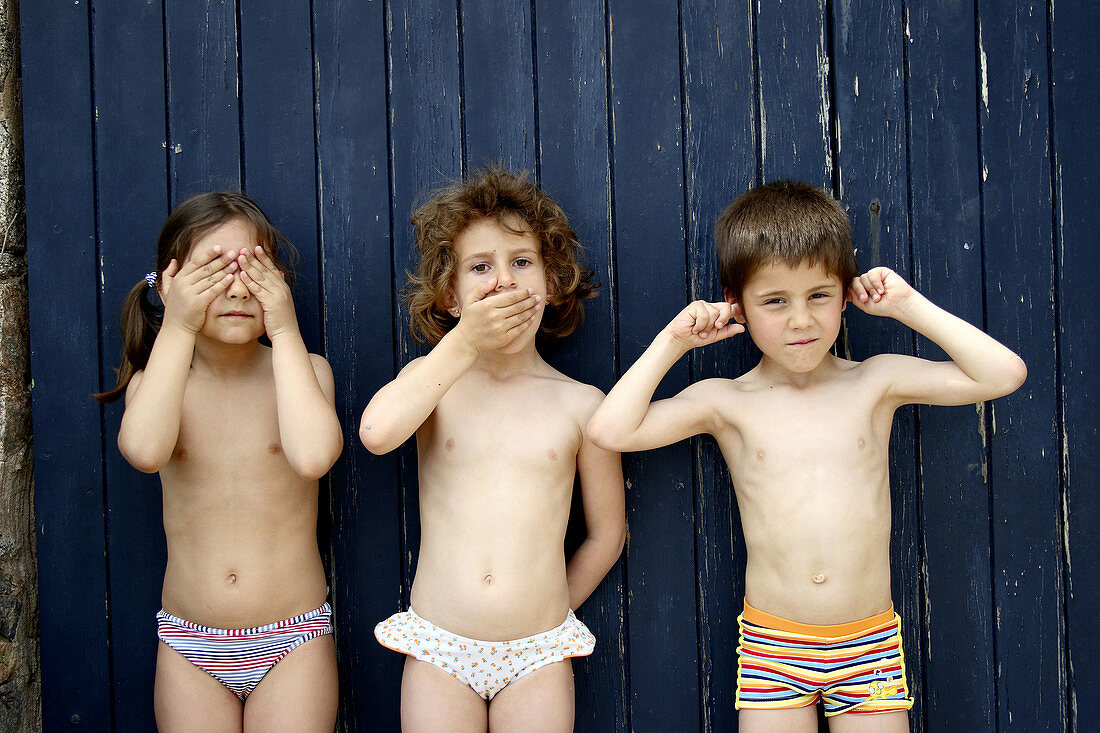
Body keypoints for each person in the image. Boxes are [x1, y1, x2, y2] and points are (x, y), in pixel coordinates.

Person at [586, 180, 1026, 732]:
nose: (801, 320)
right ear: (736, 304)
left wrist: (907, 306)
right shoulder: (727, 401)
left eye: (819, 295)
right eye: (775, 301)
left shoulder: (876, 381)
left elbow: (1002, 373)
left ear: (845, 293)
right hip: (774, 644)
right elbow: (610, 430)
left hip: (869, 643)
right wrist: (674, 341)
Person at [361, 167, 626, 732]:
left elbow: (606, 534)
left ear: (552, 284)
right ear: (449, 295)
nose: (502, 281)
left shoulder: (579, 404)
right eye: (480, 267)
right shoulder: (434, 383)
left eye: (522, 262)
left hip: (537, 651)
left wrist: (550, 614)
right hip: (439, 645)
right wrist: (463, 343)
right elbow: (378, 434)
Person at [96, 192, 342, 731]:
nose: (235, 288)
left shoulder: (305, 373)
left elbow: (314, 456)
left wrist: (284, 328)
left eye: (252, 270)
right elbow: (143, 451)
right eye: (211, 271)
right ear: (169, 284)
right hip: (190, 641)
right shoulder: (158, 386)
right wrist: (179, 326)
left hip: (293, 636)